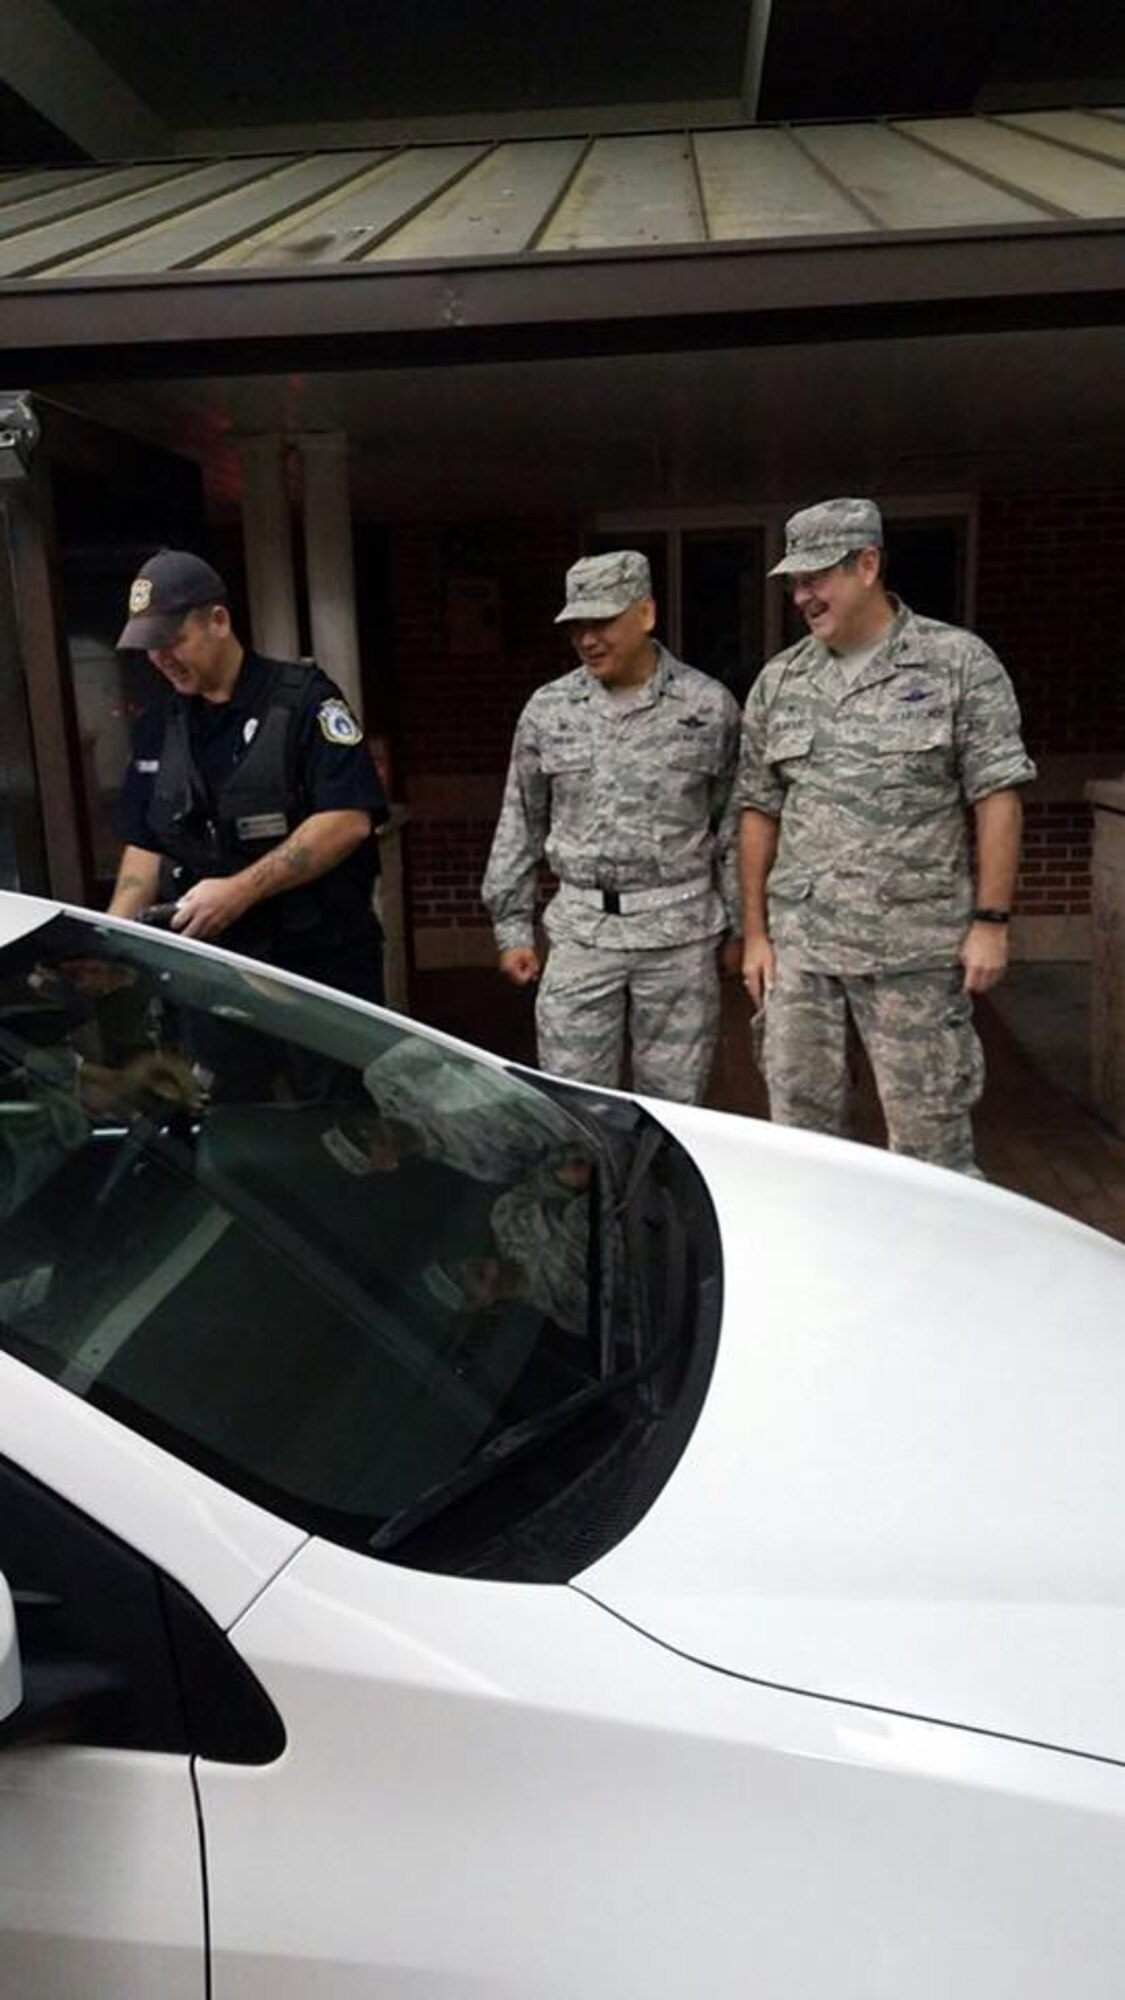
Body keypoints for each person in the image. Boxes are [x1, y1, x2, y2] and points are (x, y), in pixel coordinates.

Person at [738, 497, 1037, 1176]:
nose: (801, 595)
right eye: (793, 582)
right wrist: (755, 934)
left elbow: (996, 797)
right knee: (803, 1142)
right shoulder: (779, 682)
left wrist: (990, 921)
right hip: (803, 953)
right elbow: (757, 811)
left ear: (866, 565)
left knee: (930, 1148)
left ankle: (940, 1275)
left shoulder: (956, 664)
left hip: (914, 952)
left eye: (815, 577)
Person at [481, 550, 741, 1103]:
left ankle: (663, 1191)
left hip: (680, 936)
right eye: (576, 626)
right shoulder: (548, 711)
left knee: (675, 1107)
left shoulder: (709, 707)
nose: (587, 638)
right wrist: (512, 927)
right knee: (575, 1103)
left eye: (601, 622)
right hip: (581, 935)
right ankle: (590, 1191)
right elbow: (519, 820)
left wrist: (740, 929)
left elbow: (734, 828)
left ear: (645, 613)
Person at [108, 548, 389, 1002]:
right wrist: (113, 940)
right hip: (213, 976)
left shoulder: (304, 703)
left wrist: (238, 892)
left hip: (317, 972)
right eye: (150, 647)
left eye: (172, 640)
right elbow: (145, 845)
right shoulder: (159, 725)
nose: (161, 658)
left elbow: (347, 820)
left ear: (218, 621)